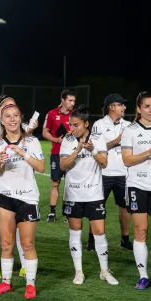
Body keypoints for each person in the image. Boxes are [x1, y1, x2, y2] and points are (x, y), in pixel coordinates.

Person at [0, 102, 45, 298]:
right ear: (2, 121)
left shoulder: (32, 142)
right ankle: (6, 282)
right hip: (4, 196)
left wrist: (22, 153)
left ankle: (30, 284)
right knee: (6, 243)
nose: (12, 119)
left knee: (27, 243)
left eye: (15, 115)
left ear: (21, 118)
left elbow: (41, 168)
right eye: (8, 116)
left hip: (28, 196)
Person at [60, 105, 118, 285]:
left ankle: (104, 271)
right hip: (73, 195)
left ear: (86, 123)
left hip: (93, 194)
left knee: (99, 232)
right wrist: (77, 150)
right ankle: (79, 272)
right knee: (75, 233)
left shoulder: (98, 138)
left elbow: (104, 163)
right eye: (70, 125)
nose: (72, 128)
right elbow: (63, 166)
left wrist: (92, 150)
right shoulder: (68, 140)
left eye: (76, 125)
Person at [121, 91, 151, 290]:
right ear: (138, 109)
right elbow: (127, 160)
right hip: (137, 185)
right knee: (140, 231)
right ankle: (143, 275)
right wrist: (149, 152)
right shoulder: (130, 130)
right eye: (146, 106)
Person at [87, 93, 132, 252]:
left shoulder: (128, 125)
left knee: (125, 207)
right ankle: (91, 240)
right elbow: (95, 148)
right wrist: (116, 141)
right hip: (104, 173)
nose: (124, 107)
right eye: (121, 105)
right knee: (97, 206)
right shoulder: (99, 124)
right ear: (111, 107)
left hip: (123, 173)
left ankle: (125, 240)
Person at [43, 90, 75, 223]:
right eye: (70, 100)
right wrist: (57, 140)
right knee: (55, 182)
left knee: (70, 183)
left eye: (74, 101)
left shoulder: (75, 114)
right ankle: (52, 212)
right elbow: (45, 133)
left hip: (71, 154)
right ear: (62, 100)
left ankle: (68, 212)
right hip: (56, 153)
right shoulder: (51, 114)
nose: (72, 103)